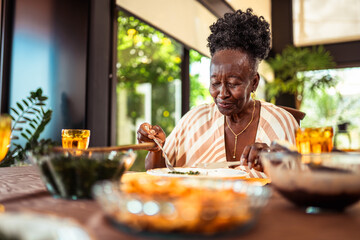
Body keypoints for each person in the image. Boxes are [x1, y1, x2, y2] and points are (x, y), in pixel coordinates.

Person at [137, 8, 299, 171]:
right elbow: (157, 174)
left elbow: (301, 179)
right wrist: (156, 149)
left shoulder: (280, 122)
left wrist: (274, 162)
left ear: (254, 82)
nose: (222, 93)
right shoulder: (194, 121)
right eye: (215, 83)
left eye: (233, 84)